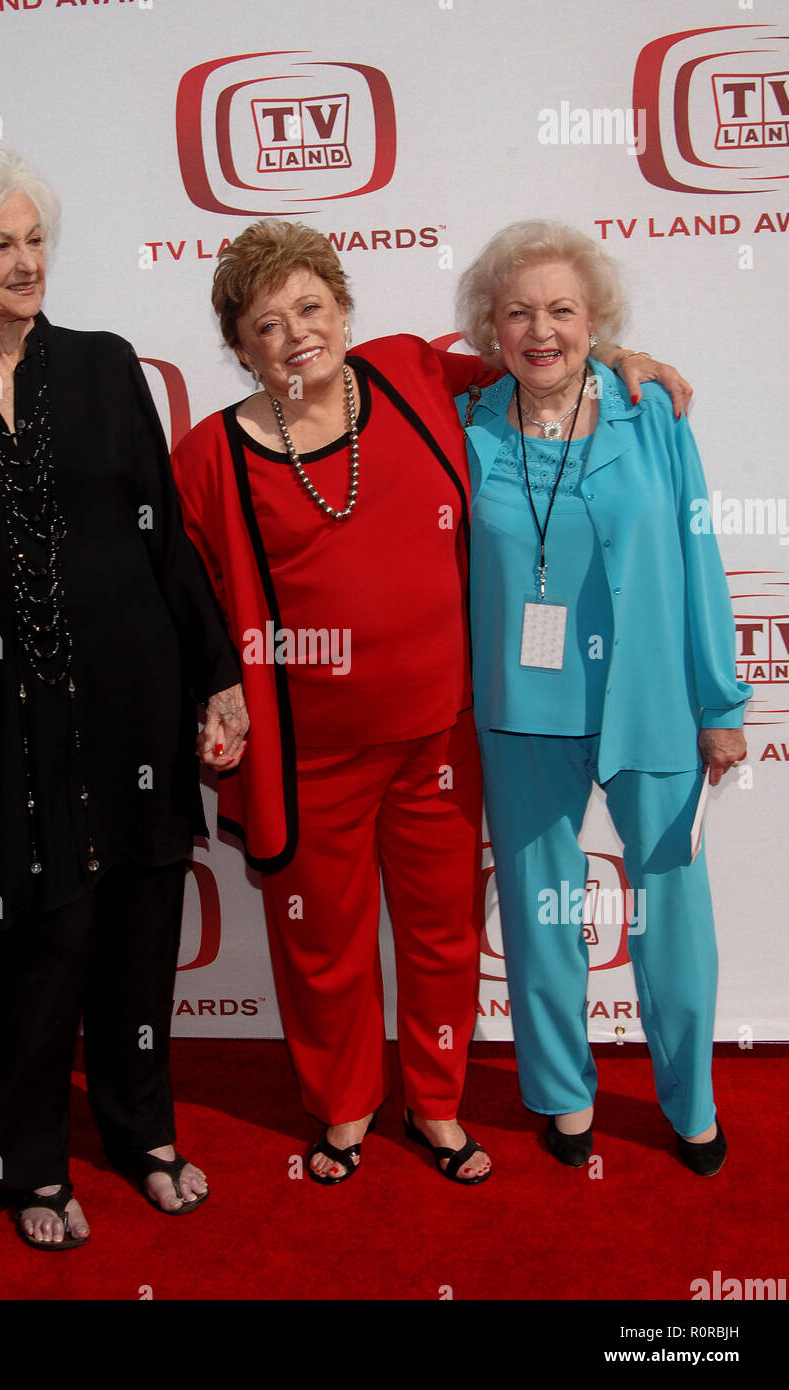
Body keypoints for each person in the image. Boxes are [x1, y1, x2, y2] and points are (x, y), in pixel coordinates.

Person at [170, 218, 687, 1186]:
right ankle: (345, 1109)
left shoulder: (409, 375)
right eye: (268, 324)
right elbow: (182, 592)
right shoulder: (208, 457)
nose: (297, 336)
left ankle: (437, 1105)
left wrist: (616, 352)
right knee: (323, 948)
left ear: (344, 309)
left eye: (312, 308)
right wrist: (215, 686)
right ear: (240, 347)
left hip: (442, 735)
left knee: (443, 931)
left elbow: (529, 359)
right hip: (309, 754)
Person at [0, 141, 247, 1248]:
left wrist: (216, 674)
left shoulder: (101, 364)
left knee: (142, 923)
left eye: (37, 238)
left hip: (141, 688)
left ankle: (141, 1132)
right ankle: (27, 1161)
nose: (30, 261)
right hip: (20, 714)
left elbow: (168, 542)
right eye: (2, 243)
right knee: (43, 935)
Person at [455, 220, 750, 1175]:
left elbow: (698, 560)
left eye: (562, 310)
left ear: (596, 322)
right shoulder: (464, 428)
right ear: (488, 328)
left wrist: (720, 702)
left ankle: (691, 1102)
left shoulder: (649, 414)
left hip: (651, 699)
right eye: (517, 313)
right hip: (521, 708)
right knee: (542, 909)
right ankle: (562, 1095)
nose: (541, 331)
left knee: (673, 916)